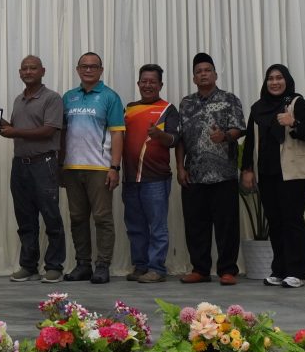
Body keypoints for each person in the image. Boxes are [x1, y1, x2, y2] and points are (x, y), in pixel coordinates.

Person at [240, 64, 305, 288]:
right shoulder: (258, 108)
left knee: (293, 221)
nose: (274, 82)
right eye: (270, 78)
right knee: (275, 222)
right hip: (267, 173)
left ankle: (296, 272)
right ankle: (279, 270)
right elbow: (250, 141)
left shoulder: (298, 104)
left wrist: (293, 122)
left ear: (287, 80)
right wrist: (247, 169)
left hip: (294, 174)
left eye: (279, 78)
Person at [176, 52, 246, 286]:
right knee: (195, 224)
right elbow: (180, 139)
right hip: (194, 174)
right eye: (199, 71)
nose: (203, 74)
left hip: (223, 173)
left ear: (215, 74)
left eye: (207, 70)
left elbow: (238, 129)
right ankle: (200, 269)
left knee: (227, 225)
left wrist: (224, 136)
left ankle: (228, 270)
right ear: (194, 78)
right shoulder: (186, 103)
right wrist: (180, 167)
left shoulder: (229, 99)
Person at [0, 55, 65, 283]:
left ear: (42, 71)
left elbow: (49, 131)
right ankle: (28, 266)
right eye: (24, 68)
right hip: (20, 165)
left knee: (51, 216)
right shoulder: (19, 100)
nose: (28, 72)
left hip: (44, 163)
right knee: (25, 218)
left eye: (33, 68)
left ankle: (54, 266)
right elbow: (15, 129)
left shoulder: (52, 98)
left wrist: (14, 131)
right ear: (20, 73)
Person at [61, 52, 125, 284]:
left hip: (100, 168)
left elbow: (117, 134)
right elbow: (62, 133)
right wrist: (60, 165)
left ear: (101, 70)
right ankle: (83, 265)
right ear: (78, 69)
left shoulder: (110, 97)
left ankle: (103, 266)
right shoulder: (68, 97)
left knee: (102, 218)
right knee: (77, 218)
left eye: (93, 66)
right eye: (84, 66)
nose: (88, 70)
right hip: (72, 167)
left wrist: (114, 167)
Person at [122, 64, 180, 284]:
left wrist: (159, 134)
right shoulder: (129, 108)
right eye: (144, 81)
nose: (148, 85)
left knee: (157, 227)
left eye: (152, 82)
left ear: (160, 85)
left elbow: (175, 140)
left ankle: (157, 269)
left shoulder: (168, 109)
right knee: (135, 226)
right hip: (130, 178)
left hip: (156, 178)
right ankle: (141, 266)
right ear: (138, 84)